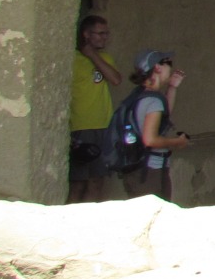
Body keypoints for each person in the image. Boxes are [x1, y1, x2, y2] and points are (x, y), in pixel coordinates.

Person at [121, 49, 190, 202]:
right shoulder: (153, 101)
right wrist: (177, 142)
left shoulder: (142, 95)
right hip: (149, 171)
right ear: (157, 68)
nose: (170, 68)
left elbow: (163, 118)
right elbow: (150, 140)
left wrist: (172, 88)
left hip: (140, 169)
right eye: (168, 64)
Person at [67, 15, 121, 202]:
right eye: (100, 33)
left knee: (97, 181)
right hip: (80, 126)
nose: (104, 38)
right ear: (86, 34)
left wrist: (93, 55)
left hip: (104, 126)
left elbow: (115, 79)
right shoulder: (72, 59)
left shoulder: (104, 58)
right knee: (78, 182)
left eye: (106, 34)